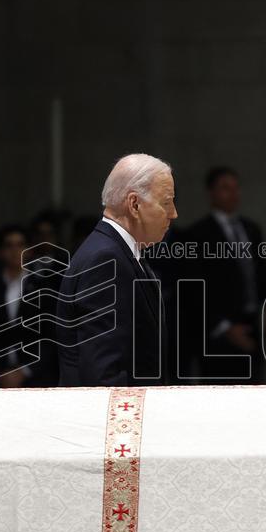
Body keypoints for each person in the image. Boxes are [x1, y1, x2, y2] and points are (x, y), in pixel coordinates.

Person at [57, 153, 177, 387]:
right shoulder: (106, 259)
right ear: (134, 205)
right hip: (112, 417)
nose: (174, 213)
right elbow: (103, 370)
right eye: (166, 202)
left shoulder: (119, 251)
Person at [180, 166, 266, 383]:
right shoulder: (197, 234)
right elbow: (194, 289)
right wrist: (224, 327)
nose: (233, 194)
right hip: (219, 332)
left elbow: (261, 272)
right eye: (225, 188)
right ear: (211, 193)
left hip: (253, 325)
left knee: (256, 390)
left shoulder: (251, 229)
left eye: (236, 188)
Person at [0, 225, 59, 387]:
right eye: (8, 245)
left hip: (36, 377)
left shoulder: (44, 287)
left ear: (29, 250)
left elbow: (50, 336)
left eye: (20, 245)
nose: (15, 251)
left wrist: (25, 371)